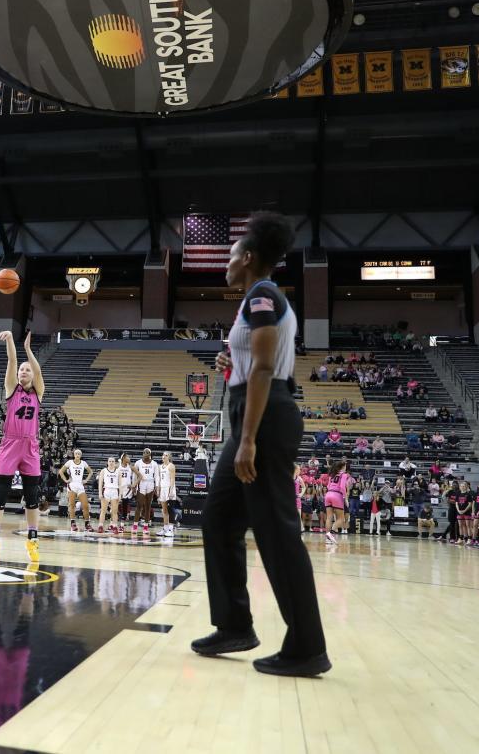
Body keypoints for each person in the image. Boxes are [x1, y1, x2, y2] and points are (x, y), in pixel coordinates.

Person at [192, 211, 330, 678]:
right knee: (218, 519)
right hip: (251, 416)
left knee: (276, 533)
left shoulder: (263, 294)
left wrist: (248, 438)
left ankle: (307, 647)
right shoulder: (256, 299)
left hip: (265, 420)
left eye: (230, 256)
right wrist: (231, 366)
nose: (225, 263)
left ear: (248, 257)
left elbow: (267, 369)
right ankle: (234, 625)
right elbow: (253, 362)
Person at [0, 331, 45, 564]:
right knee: (1, 492)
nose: (23, 371)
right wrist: (11, 340)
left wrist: (29, 351)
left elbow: (38, 371)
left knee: (32, 496)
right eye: (22, 369)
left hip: (30, 446)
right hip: (10, 443)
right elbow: (11, 361)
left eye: (27, 369)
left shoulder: (38, 392)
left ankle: (32, 539)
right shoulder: (12, 389)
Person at [58, 449, 93, 533]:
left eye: (79, 454)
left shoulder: (83, 463)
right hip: (72, 485)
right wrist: (66, 480)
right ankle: (73, 523)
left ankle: (87, 524)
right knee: (72, 505)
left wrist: (86, 480)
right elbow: (60, 471)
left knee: (85, 505)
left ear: (80, 455)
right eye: (76, 453)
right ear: (74, 454)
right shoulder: (69, 462)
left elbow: (91, 472)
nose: (77, 455)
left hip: (80, 485)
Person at [130, 449, 161, 535]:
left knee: (148, 506)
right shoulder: (138, 463)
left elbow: (157, 477)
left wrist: (157, 486)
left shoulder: (154, 464)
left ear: (150, 454)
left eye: (147, 453)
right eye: (144, 452)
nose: (145, 454)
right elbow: (134, 475)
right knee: (139, 505)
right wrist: (134, 486)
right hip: (141, 483)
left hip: (150, 484)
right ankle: (135, 526)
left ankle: (146, 526)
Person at [323, 460, 350, 544]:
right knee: (341, 519)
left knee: (329, 517)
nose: (346, 467)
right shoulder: (344, 475)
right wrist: (345, 498)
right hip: (337, 495)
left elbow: (328, 486)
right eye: (345, 466)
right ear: (342, 467)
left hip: (328, 494)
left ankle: (328, 539)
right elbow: (342, 487)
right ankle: (330, 533)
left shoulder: (332, 474)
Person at [97, 456, 122, 534]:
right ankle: (100, 526)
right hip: (106, 490)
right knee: (103, 510)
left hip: (114, 491)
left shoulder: (118, 471)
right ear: (107, 462)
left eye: (112, 461)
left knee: (114, 511)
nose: (111, 463)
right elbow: (100, 483)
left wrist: (120, 494)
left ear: (115, 463)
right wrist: (100, 493)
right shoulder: (103, 471)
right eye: (110, 461)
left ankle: (114, 526)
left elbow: (120, 484)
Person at [157, 451, 178, 538]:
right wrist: (158, 490)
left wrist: (170, 491)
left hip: (169, 489)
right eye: (163, 455)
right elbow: (159, 480)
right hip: (163, 489)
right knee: (164, 510)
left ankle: (171, 529)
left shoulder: (171, 466)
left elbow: (172, 480)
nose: (164, 456)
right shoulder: (160, 467)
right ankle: (165, 528)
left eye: (166, 455)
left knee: (170, 510)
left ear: (169, 457)